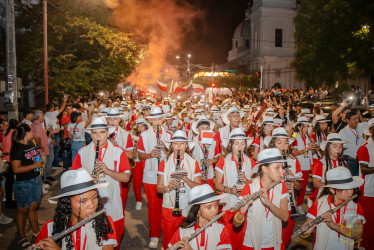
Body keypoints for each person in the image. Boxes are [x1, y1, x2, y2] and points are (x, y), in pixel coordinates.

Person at [71, 117, 131, 247]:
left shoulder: (118, 152)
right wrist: (86, 178)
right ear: (90, 134)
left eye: (102, 132)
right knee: (92, 240)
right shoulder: (82, 152)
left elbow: (126, 178)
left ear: (108, 133)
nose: (98, 136)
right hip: (89, 204)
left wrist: (108, 171)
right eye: (94, 132)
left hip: (112, 202)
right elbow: (72, 179)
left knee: (113, 241)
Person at [34, 168, 118, 249]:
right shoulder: (50, 228)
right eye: (83, 201)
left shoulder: (104, 222)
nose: (92, 205)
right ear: (67, 204)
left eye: (94, 197)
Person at [234, 148, 289, 250]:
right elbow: (236, 224)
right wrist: (242, 212)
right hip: (251, 244)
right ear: (264, 169)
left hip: (274, 243)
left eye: (282, 167)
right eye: (277, 167)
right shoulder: (249, 187)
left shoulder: (282, 187)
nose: (282, 171)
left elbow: (285, 217)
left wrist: (269, 204)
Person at [157, 130, 201, 249]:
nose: (178, 147)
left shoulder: (193, 163)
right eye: (176, 143)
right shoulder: (164, 162)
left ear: (186, 145)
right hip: (169, 208)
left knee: (186, 242)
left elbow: (199, 187)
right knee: (169, 240)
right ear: (171, 145)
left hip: (189, 207)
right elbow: (158, 189)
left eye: (182, 143)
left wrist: (186, 179)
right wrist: (168, 187)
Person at [303, 167, 364, 250]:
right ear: (332, 190)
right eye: (346, 188)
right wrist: (306, 231)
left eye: (352, 187)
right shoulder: (320, 203)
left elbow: (357, 235)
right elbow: (305, 232)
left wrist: (334, 226)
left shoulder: (355, 207)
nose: (351, 191)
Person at [137, 107, 172, 248]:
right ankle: (154, 234)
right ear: (150, 120)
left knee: (167, 206)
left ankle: (168, 233)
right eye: (154, 119)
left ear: (163, 120)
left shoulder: (169, 135)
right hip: (150, 176)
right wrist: (151, 154)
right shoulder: (144, 135)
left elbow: (173, 155)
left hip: (166, 176)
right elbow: (140, 155)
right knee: (153, 208)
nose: (157, 122)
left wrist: (164, 148)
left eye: (159, 119)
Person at [215, 128, 255, 250]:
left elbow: (256, 185)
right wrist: (230, 190)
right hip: (229, 206)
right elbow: (217, 185)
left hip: (247, 206)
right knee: (230, 238)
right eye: (236, 143)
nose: (240, 147)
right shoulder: (223, 161)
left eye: (242, 143)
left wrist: (247, 181)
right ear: (231, 144)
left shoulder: (251, 161)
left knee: (245, 238)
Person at [264, 127, 302, 247]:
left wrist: (294, 183)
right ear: (273, 143)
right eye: (279, 143)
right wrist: (279, 183)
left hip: (289, 202)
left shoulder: (293, 161)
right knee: (271, 237)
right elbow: (262, 184)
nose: (283, 146)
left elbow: (300, 187)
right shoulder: (266, 162)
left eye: (285, 143)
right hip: (272, 202)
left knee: (285, 237)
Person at [167, 184, 232, 250]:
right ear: (197, 210)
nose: (214, 210)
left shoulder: (221, 229)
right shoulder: (183, 230)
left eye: (215, 205)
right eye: (209, 207)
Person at [10, 124, 43, 249]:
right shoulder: (17, 149)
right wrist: (35, 166)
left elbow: (36, 156)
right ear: (26, 133)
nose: (33, 132)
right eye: (31, 130)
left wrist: (40, 167)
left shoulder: (31, 143)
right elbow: (16, 169)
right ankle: (22, 237)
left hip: (36, 180)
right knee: (22, 211)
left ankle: (36, 231)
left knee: (33, 208)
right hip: (24, 184)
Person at [311, 133, 347, 199]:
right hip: (324, 195)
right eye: (335, 146)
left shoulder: (344, 163)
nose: (338, 149)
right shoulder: (321, 162)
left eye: (340, 146)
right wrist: (332, 189)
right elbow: (316, 183)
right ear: (328, 147)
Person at [291, 116, 315, 215]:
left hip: (306, 165)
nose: (307, 129)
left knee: (303, 187)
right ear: (299, 126)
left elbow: (311, 153)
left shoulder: (307, 136)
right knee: (295, 187)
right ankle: (294, 205)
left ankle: (299, 205)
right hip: (297, 165)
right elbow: (294, 153)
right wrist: (306, 149)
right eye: (304, 127)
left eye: (307, 127)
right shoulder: (294, 135)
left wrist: (312, 148)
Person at [357, 118, 374, 250]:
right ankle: (367, 245)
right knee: (369, 223)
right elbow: (364, 170)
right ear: (371, 131)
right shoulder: (365, 148)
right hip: (369, 190)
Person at [191, 116, 217, 188]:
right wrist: (197, 170)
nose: (205, 130)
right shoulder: (192, 143)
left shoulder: (214, 142)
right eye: (202, 128)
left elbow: (218, 156)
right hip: (196, 176)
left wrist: (213, 160)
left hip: (209, 175)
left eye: (207, 128)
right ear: (197, 130)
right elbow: (189, 159)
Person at [339, 110, 366, 176]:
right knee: (352, 180)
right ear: (348, 121)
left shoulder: (360, 126)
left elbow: (369, 125)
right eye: (353, 119)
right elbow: (339, 146)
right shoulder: (343, 132)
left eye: (357, 118)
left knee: (360, 180)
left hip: (361, 161)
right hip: (350, 161)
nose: (356, 120)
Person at [2, 119, 19, 208]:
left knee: (8, 181)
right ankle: (10, 201)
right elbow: (15, 147)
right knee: (11, 181)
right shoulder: (14, 133)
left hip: (5, 159)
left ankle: (9, 199)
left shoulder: (6, 133)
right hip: (11, 159)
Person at [132, 118, 148, 210]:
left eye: (142, 126)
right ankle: (138, 200)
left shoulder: (149, 136)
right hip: (138, 161)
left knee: (148, 182)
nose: (140, 128)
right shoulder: (134, 138)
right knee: (136, 183)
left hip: (147, 161)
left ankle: (149, 199)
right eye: (138, 127)